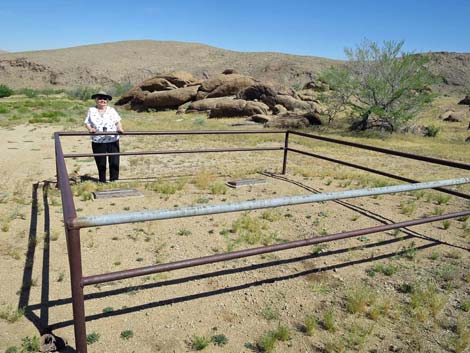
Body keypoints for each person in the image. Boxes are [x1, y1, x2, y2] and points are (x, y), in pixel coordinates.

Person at [84, 91, 124, 183]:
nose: (102, 100)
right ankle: (102, 180)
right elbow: (87, 122)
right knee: (100, 161)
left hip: (112, 138)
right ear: (96, 100)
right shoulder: (91, 110)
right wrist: (90, 129)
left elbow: (117, 121)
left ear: (107, 101)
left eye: (104, 99)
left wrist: (120, 128)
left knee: (114, 160)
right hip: (98, 140)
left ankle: (114, 180)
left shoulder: (111, 110)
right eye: (100, 98)